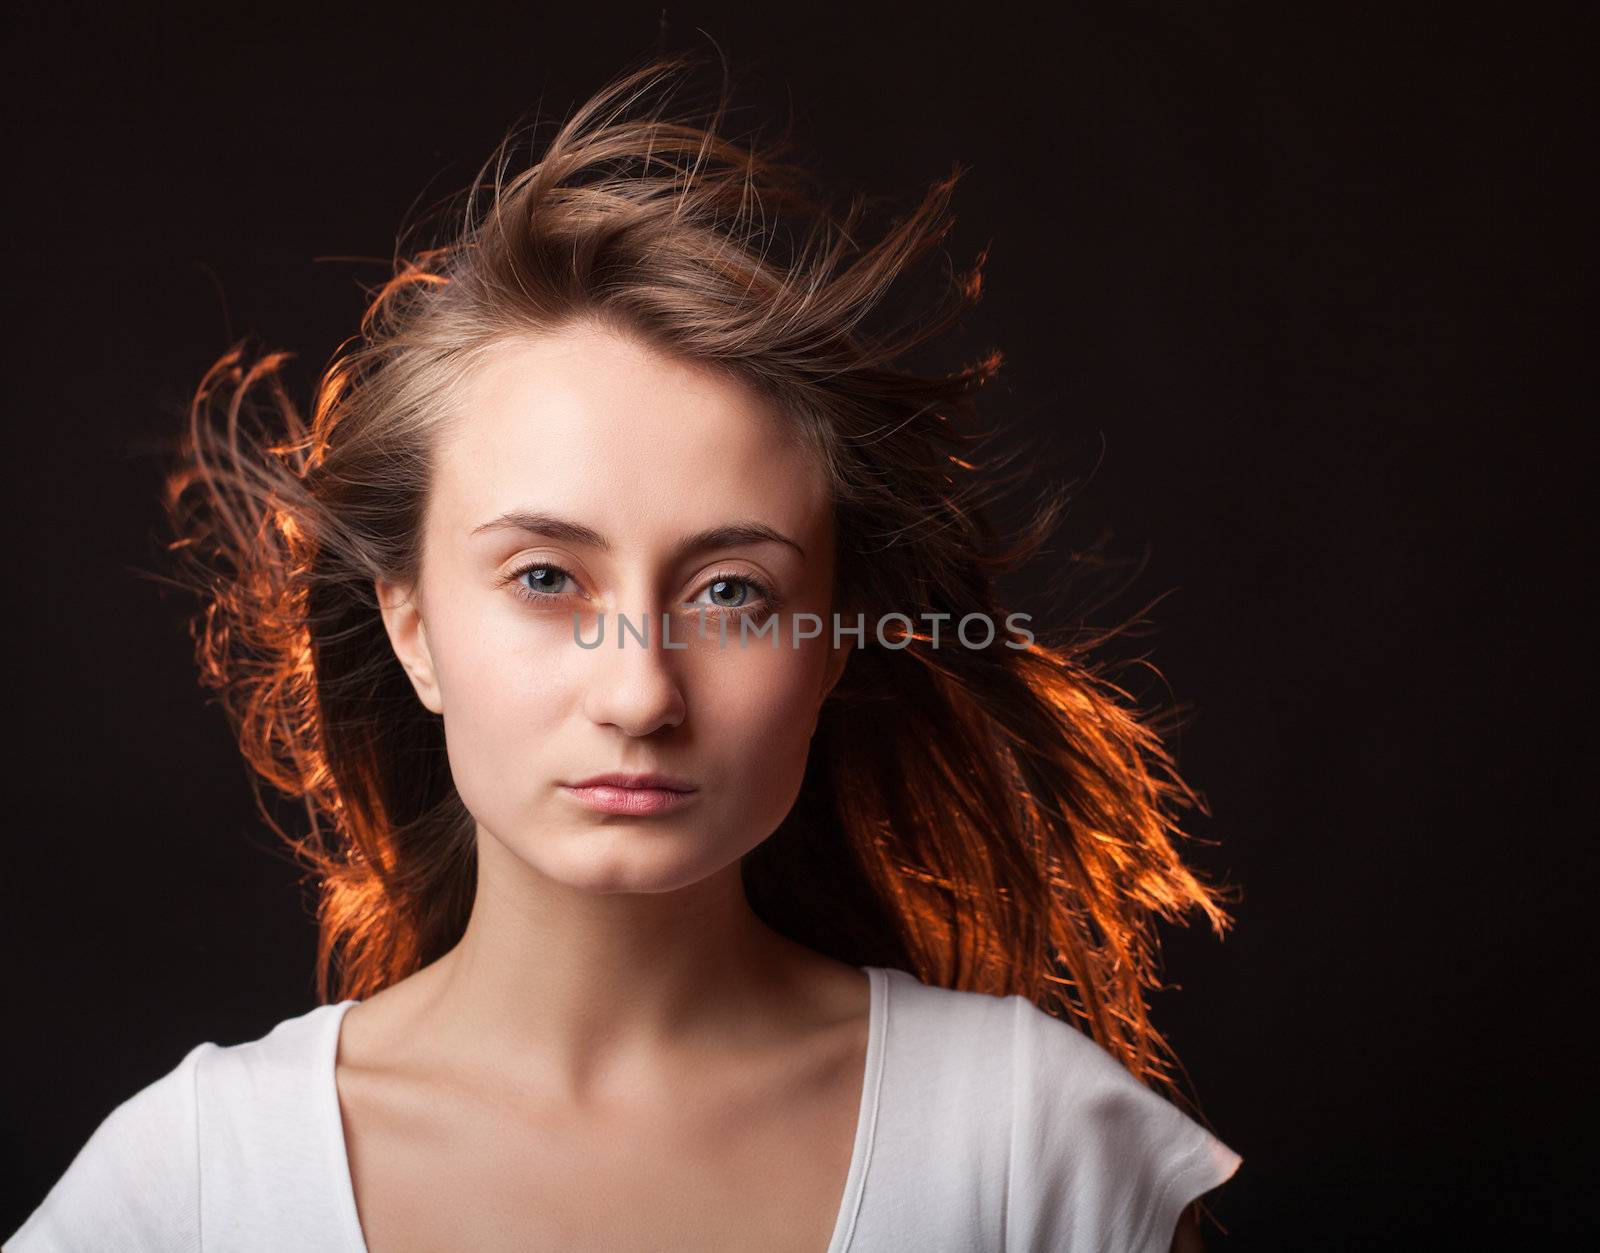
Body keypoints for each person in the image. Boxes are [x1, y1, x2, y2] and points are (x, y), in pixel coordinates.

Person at [6, 49, 1241, 1252]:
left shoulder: (1035, 1150)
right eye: (545, 578)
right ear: (412, 626)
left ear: (830, 643)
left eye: (731, 591)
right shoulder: (201, 1182)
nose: (641, 689)